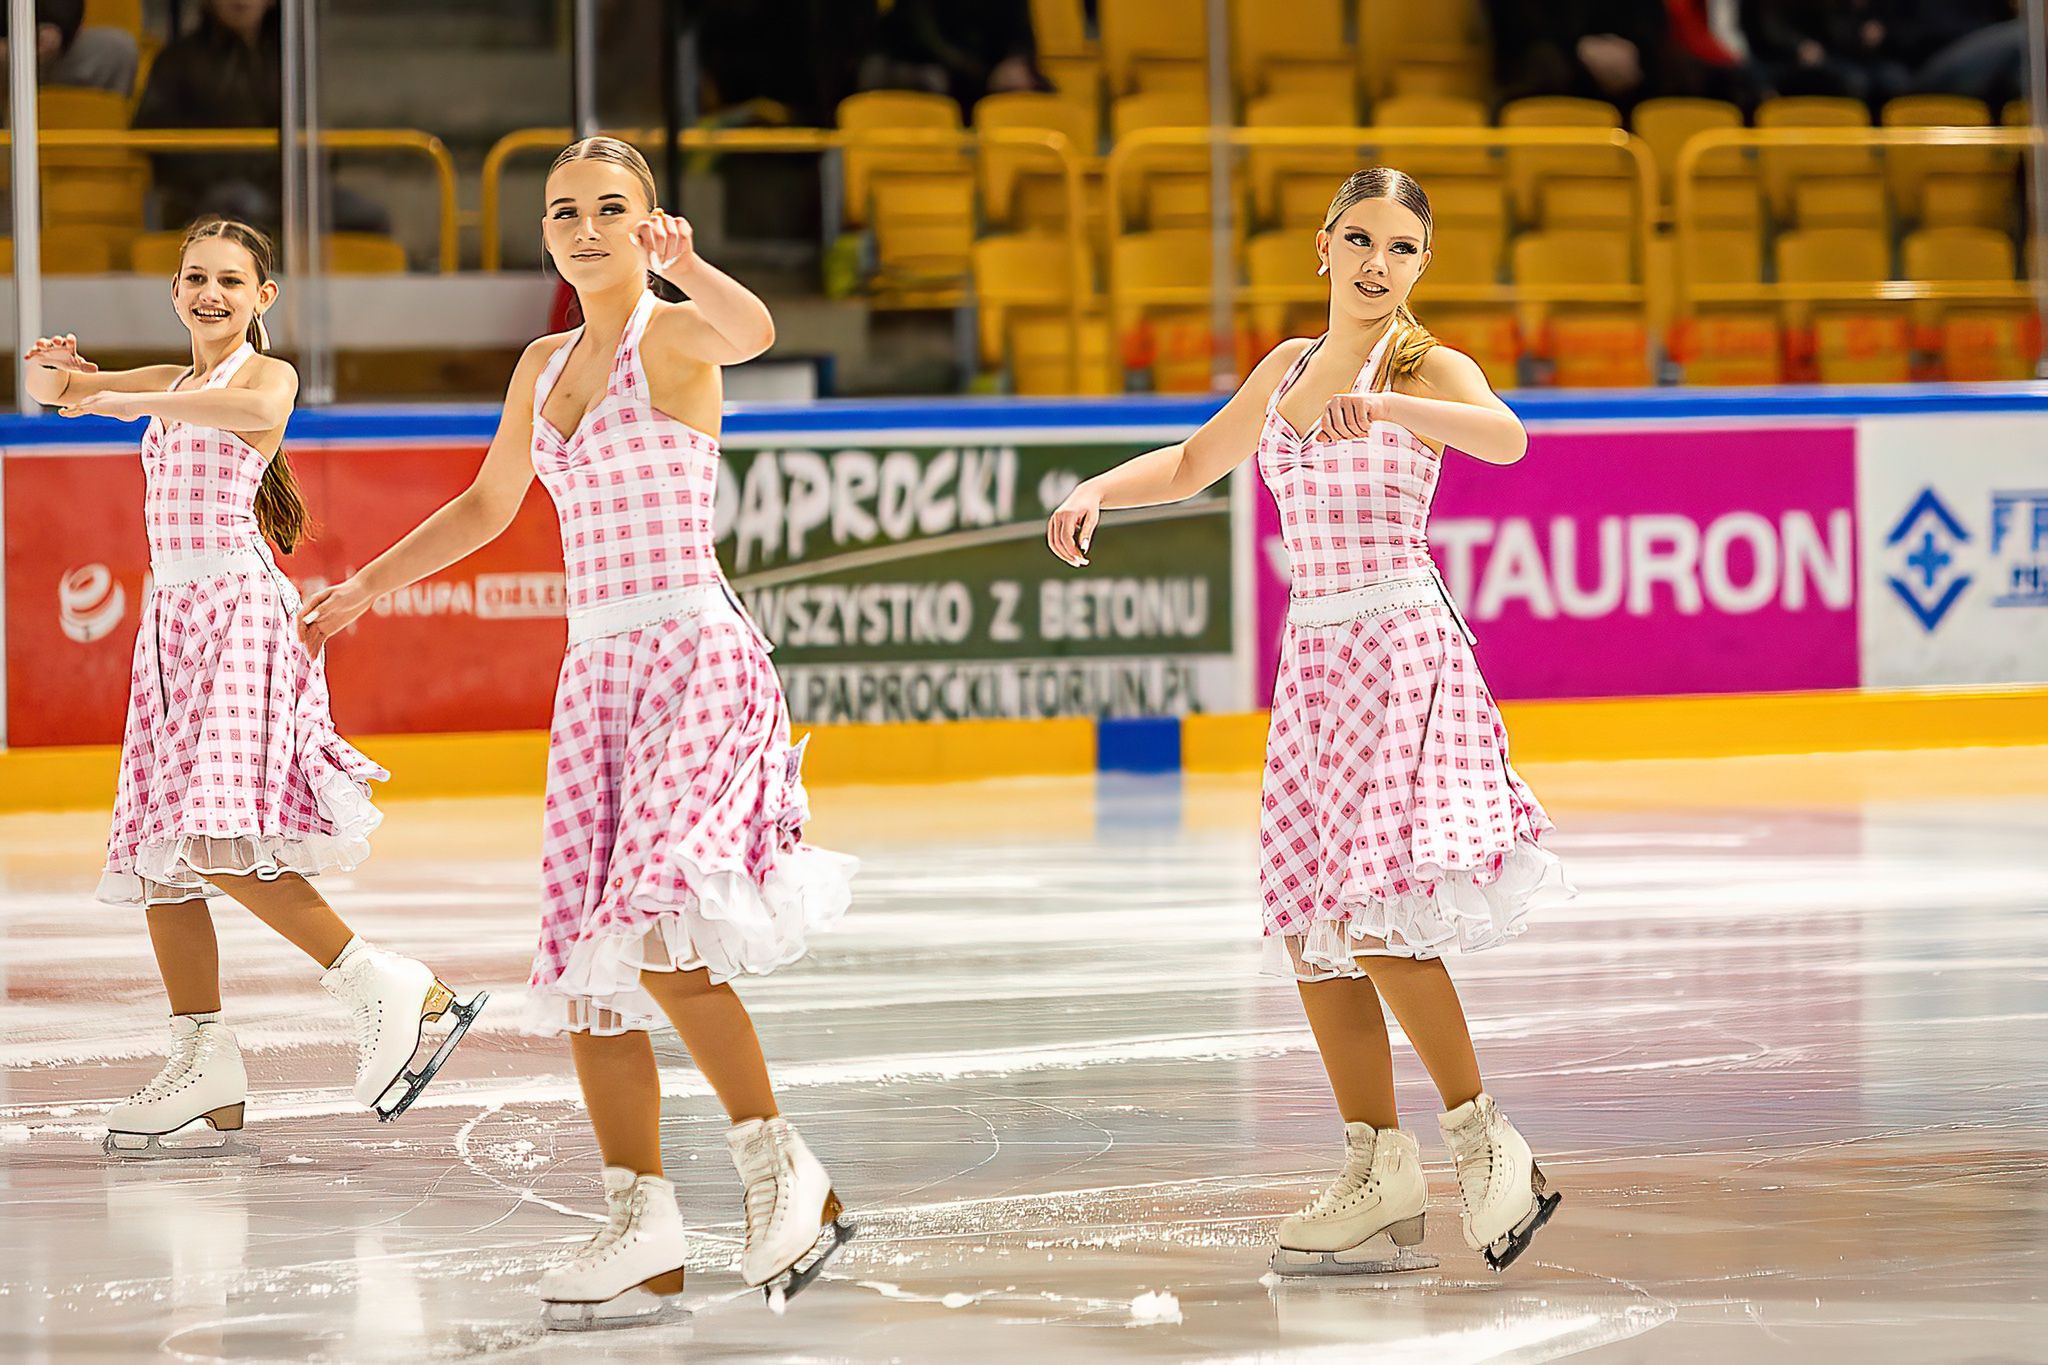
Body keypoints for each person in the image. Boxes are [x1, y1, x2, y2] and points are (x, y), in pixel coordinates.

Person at [297, 137, 856, 1329]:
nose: (586, 228)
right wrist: (363, 589)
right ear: (544, 231)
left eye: (613, 209)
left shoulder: (681, 332)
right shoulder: (543, 361)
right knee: (592, 977)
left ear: (651, 222)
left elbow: (755, 331)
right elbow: (491, 503)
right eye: (565, 212)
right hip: (597, 677)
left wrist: (692, 269)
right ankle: (642, 1226)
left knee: (657, 932)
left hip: (694, 657)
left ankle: (783, 1176)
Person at [1047, 168, 1569, 1277]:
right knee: (1309, 925)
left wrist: (1387, 406)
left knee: (1379, 916)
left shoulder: (1426, 365)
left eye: (1402, 249)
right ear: (1321, 246)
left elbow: (1507, 439)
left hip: (1397, 646)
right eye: (1360, 240)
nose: (1378, 265)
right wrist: (1098, 488)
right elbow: (1194, 463)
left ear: (1422, 266)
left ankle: (1488, 1147)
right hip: (1317, 662)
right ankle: (1377, 1174)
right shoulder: (1284, 368)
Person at [22, 217, 486, 1157]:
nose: (210, 294)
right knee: (162, 853)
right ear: (175, 289)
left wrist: (118, 391)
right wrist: (61, 374)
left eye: (230, 282)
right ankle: (205, 1058)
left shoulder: (260, 378)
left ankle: (383, 984)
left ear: (261, 298)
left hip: (240, 614)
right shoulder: (166, 384)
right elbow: (50, 392)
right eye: (195, 278)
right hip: (171, 629)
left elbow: (249, 419)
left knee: (220, 840)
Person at [131, 0, 391, 236]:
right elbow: (156, 141)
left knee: (369, 218)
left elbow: (313, 132)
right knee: (242, 205)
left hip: (282, 186)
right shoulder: (177, 60)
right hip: (207, 192)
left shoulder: (288, 60)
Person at [0, 0, 138, 96]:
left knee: (117, 48)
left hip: (52, 45)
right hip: (5, 48)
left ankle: (103, 128)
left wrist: (59, 30)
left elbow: (69, 5)